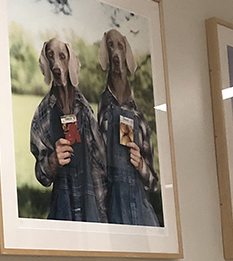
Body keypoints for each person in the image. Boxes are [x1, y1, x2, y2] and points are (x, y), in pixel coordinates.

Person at [29, 38, 109, 222]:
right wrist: (52, 161)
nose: (57, 66)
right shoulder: (43, 115)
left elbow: (101, 163)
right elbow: (41, 175)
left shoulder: (86, 112)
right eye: (51, 57)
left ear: (70, 64)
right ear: (46, 64)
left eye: (62, 57)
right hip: (62, 207)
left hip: (92, 205)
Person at [97, 29, 160, 226]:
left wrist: (140, 164)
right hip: (112, 211)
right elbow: (97, 169)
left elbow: (154, 183)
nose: (116, 53)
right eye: (111, 46)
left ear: (125, 54)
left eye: (120, 47)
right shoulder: (103, 110)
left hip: (141, 215)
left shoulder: (138, 118)